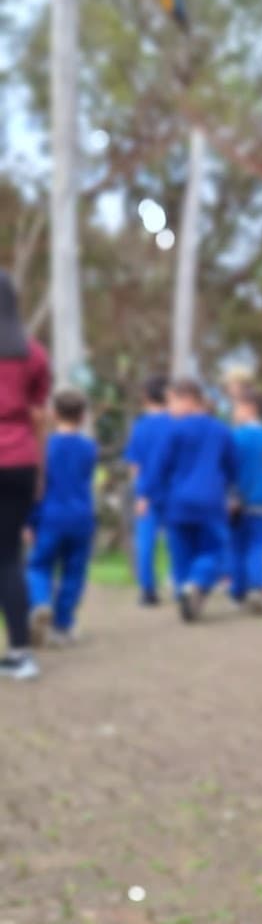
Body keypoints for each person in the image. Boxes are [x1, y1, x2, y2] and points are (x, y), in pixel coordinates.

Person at [0, 271, 51, 680]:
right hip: (20, 461)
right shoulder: (33, 354)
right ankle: (21, 654)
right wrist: (40, 472)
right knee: (9, 558)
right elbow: (38, 417)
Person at [158, 378, 237, 622]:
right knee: (214, 550)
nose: (169, 408)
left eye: (172, 401)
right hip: (211, 500)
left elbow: (161, 466)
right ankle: (197, 582)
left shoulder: (173, 430)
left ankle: (184, 590)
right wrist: (231, 488)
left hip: (177, 501)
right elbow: (232, 465)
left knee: (181, 552)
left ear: (189, 400)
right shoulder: (221, 430)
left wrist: (150, 494)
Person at [27, 388, 97, 646]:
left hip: (50, 517)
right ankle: (63, 625)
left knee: (38, 566)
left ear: (53, 414)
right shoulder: (89, 448)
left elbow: (37, 487)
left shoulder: (43, 447)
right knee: (73, 573)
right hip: (81, 518)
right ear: (83, 416)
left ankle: (41, 602)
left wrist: (29, 521)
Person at [229, 388, 262, 613]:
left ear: (251, 408)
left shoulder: (237, 436)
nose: (234, 411)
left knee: (238, 547)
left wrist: (231, 495)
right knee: (258, 546)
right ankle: (257, 587)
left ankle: (239, 591)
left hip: (241, 499)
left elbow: (232, 469)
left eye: (237, 407)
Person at [124, 374, 171, 605]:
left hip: (146, 491)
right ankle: (180, 582)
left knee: (145, 541)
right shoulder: (176, 423)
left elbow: (135, 465)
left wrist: (140, 492)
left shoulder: (140, 427)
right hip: (173, 489)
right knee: (176, 539)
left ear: (145, 396)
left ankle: (147, 590)